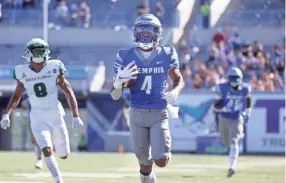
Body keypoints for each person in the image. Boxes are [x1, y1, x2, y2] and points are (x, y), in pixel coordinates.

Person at [110, 14, 185, 183]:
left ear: (157, 33)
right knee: (144, 164)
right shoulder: (124, 55)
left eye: (149, 30)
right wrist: (118, 82)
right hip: (136, 113)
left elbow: (178, 79)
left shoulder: (167, 53)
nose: (145, 34)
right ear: (135, 33)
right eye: (142, 30)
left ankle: (160, 149)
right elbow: (115, 95)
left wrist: (175, 92)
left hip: (159, 112)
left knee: (161, 161)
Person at [0, 38, 84, 183]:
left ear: (46, 52)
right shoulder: (22, 71)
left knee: (63, 154)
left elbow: (68, 91)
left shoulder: (55, 67)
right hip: (37, 116)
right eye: (35, 50)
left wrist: (76, 115)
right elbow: (17, 95)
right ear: (28, 53)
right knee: (46, 149)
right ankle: (59, 180)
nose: (38, 53)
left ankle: (60, 155)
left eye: (40, 50)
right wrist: (7, 113)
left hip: (55, 114)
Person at [213, 67, 252, 177]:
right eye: (233, 77)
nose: (234, 80)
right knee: (226, 142)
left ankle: (232, 167)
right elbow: (216, 104)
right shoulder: (222, 87)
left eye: (236, 77)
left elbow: (248, 100)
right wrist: (220, 109)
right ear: (229, 78)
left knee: (234, 142)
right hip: (224, 117)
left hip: (237, 117)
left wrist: (248, 112)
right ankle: (231, 158)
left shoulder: (245, 88)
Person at [21, 94, 43, 169]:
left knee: (43, 138)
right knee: (34, 140)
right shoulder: (27, 93)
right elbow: (23, 104)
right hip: (33, 118)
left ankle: (43, 158)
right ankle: (39, 158)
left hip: (45, 118)